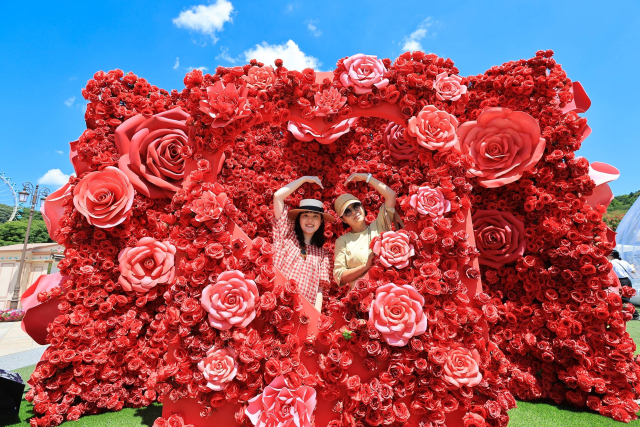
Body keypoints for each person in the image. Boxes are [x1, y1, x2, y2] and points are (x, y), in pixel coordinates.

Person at [273, 176, 334, 311]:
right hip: (274, 304)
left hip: (300, 314)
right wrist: (304, 179)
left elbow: (319, 291)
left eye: (315, 216)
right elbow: (277, 197)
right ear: (299, 219)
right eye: (305, 215)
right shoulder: (286, 236)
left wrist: (315, 319)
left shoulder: (323, 255)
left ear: (321, 222)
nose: (310, 220)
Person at [333, 173, 401, 289]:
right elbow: (339, 277)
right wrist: (365, 266)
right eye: (347, 212)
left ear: (362, 207)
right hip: (360, 299)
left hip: (386, 293)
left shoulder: (380, 225)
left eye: (355, 206)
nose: (354, 212)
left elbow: (391, 196)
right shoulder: (343, 241)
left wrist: (366, 177)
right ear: (343, 220)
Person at [609, 250, 639, 320]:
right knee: (626, 299)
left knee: (624, 300)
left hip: (620, 281)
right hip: (627, 280)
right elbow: (633, 270)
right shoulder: (623, 262)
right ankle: (629, 314)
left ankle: (635, 315)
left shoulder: (611, 262)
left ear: (611, 256)